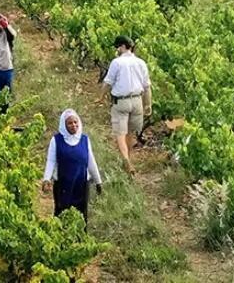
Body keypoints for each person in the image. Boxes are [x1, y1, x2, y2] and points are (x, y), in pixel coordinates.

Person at [101, 36, 153, 175]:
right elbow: (147, 87)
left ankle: (125, 160)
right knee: (130, 133)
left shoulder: (117, 63)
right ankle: (129, 160)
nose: (117, 50)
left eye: (117, 47)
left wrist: (100, 97)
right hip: (137, 101)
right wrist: (148, 105)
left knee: (120, 133)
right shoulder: (141, 63)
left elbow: (108, 83)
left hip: (121, 102)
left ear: (123, 47)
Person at [42, 109, 103, 220]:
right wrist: (46, 179)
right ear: (64, 125)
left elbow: (91, 161)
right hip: (62, 185)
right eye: (69, 123)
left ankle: (80, 237)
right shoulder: (56, 140)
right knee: (61, 213)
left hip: (81, 184)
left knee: (81, 215)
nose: (73, 125)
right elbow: (51, 161)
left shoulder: (85, 140)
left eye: (75, 122)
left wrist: (98, 181)